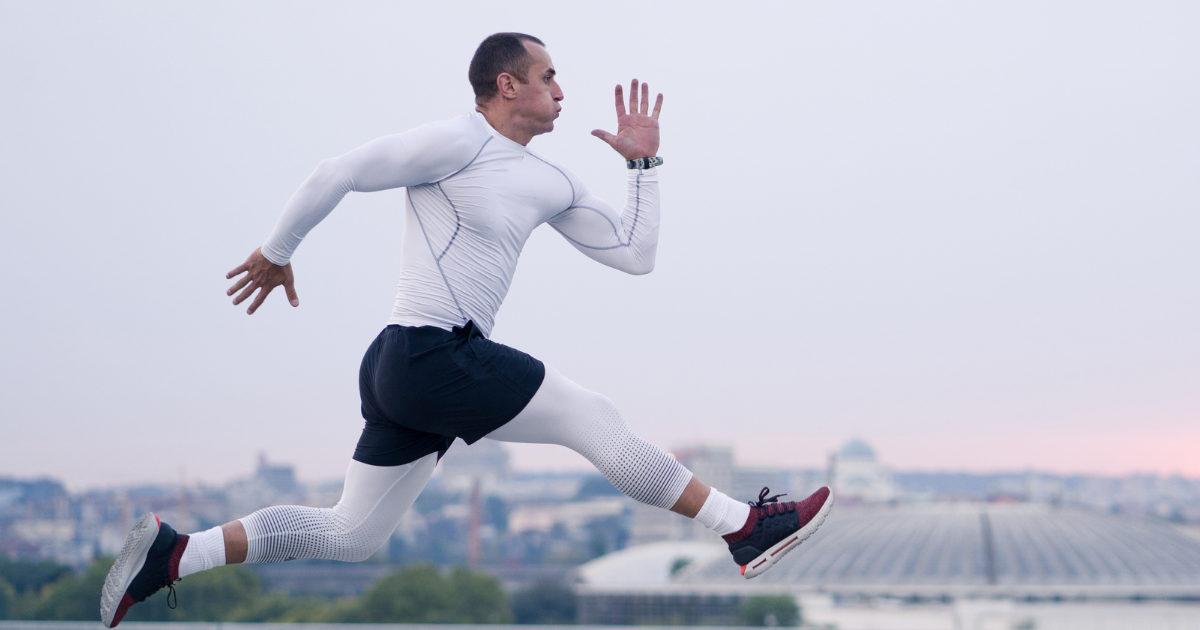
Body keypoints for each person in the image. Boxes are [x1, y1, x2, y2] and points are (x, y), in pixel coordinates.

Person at [99, 32, 832, 627]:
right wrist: (276, 252)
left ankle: (175, 553)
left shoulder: (554, 181)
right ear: (505, 85)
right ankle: (743, 526)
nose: (562, 90)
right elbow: (339, 171)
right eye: (549, 75)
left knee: (354, 536)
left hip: (418, 370)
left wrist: (644, 165)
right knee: (593, 417)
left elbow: (636, 257)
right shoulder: (456, 142)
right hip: (426, 353)